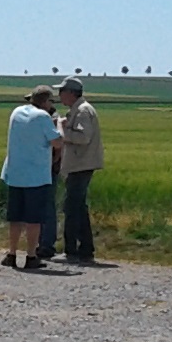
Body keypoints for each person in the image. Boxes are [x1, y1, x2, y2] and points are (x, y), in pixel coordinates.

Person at [0, 84, 62, 270]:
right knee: (34, 219)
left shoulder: (17, 112)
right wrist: (59, 125)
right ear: (45, 101)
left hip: (15, 172)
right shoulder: (43, 117)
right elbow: (57, 142)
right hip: (35, 175)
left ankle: (11, 253)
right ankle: (31, 255)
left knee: (16, 217)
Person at [48, 77, 102, 263]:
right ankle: (85, 250)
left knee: (72, 207)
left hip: (81, 165)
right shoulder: (79, 109)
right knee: (77, 207)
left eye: (61, 91)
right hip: (80, 165)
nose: (59, 95)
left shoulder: (82, 111)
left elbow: (83, 137)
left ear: (71, 93)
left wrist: (62, 129)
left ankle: (72, 251)